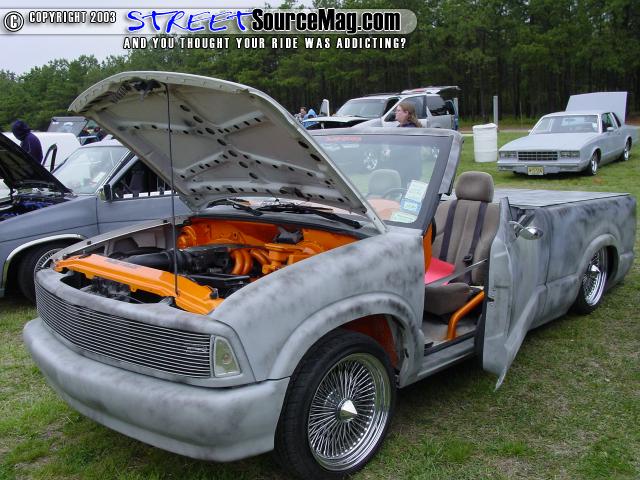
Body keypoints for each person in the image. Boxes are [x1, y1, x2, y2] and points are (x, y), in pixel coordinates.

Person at [394, 102, 422, 186]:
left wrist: (390, 151)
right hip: (400, 169)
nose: (396, 112)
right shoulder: (399, 128)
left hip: (409, 172)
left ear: (406, 113)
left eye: (398, 110)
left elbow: (403, 149)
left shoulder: (411, 130)